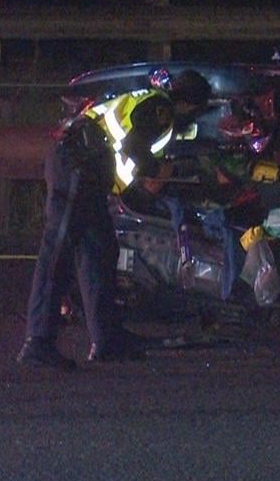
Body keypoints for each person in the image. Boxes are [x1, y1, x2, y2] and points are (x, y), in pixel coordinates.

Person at [16, 69, 213, 369]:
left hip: (89, 170)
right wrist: (161, 171)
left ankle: (108, 341)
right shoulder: (162, 109)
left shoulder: (148, 101)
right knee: (59, 248)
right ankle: (38, 341)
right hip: (79, 163)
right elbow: (134, 147)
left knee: (100, 251)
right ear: (191, 104)